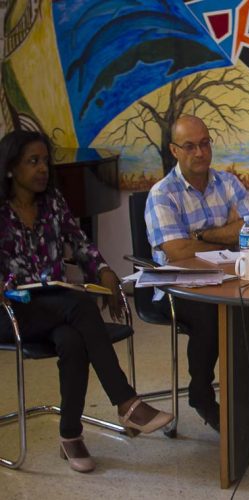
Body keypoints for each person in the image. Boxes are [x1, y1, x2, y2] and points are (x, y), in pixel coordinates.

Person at [0, 130, 174, 473]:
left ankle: (70, 434)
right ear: (10, 169)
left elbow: (80, 245)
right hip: (11, 309)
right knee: (79, 306)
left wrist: (106, 272)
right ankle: (126, 401)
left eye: (45, 161)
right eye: (32, 162)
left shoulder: (52, 203)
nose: (42, 169)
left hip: (52, 304)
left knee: (72, 338)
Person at [145, 115, 249, 432]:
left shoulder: (228, 183)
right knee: (212, 313)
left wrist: (197, 236)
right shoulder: (162, 193)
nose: (200, 152)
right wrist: (226, 233)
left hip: (228, 277)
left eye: (205, 143)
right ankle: (201, 393)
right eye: (190, 146)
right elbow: (177, 253)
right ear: (174, 150)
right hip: (177, 285)